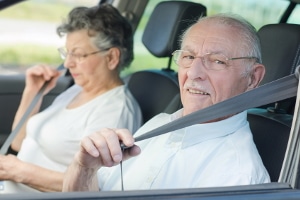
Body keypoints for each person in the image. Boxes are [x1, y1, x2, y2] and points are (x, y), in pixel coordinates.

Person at [63, 13, 270, 192]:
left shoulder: (238, 177)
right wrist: (84, 169)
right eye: (188, 56)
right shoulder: (160, 123)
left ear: (252, 78)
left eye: (218, 61)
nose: (193, 73)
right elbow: (93, 193)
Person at [0, 4, 142, 193]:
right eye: (67, 53)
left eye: (78, 54)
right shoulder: (77, 89)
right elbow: (18, 143)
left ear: (111, 58)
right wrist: (32, 94)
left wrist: (18, 171)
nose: (67, 63)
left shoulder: (114, 113)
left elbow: (92, 187)